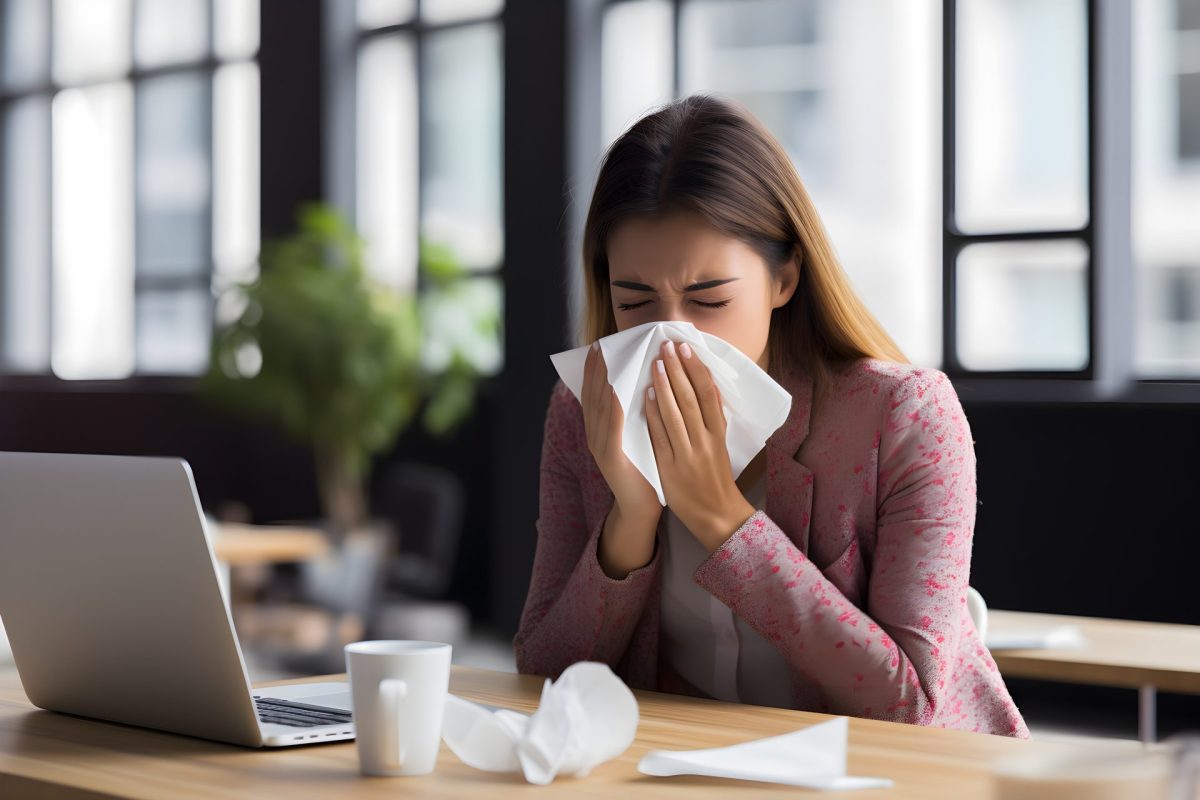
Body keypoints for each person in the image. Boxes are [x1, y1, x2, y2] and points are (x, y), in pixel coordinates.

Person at [513, 94, 1028, 737]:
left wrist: (719, 517)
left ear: (784, 279)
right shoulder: (584, 414)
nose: (671, 337)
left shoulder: (903, 418)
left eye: (708, 299)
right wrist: (632, 519)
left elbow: (910, 704)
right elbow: (541, 674)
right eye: (636, 301)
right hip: (700, 771)